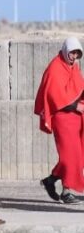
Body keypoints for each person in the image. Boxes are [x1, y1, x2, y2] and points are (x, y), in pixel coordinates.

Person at [35, 37, 84, 204]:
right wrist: (75, 106)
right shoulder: (55, 67)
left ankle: (50, 180)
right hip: (62, 118)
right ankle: (66, 192)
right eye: (72, 52)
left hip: (77, 118)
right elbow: (54, 95)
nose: (74, 56)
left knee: (78, 156)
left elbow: (78, 89)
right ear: (65, 50)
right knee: (69, 156)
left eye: (77, 53)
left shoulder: (73, 67)